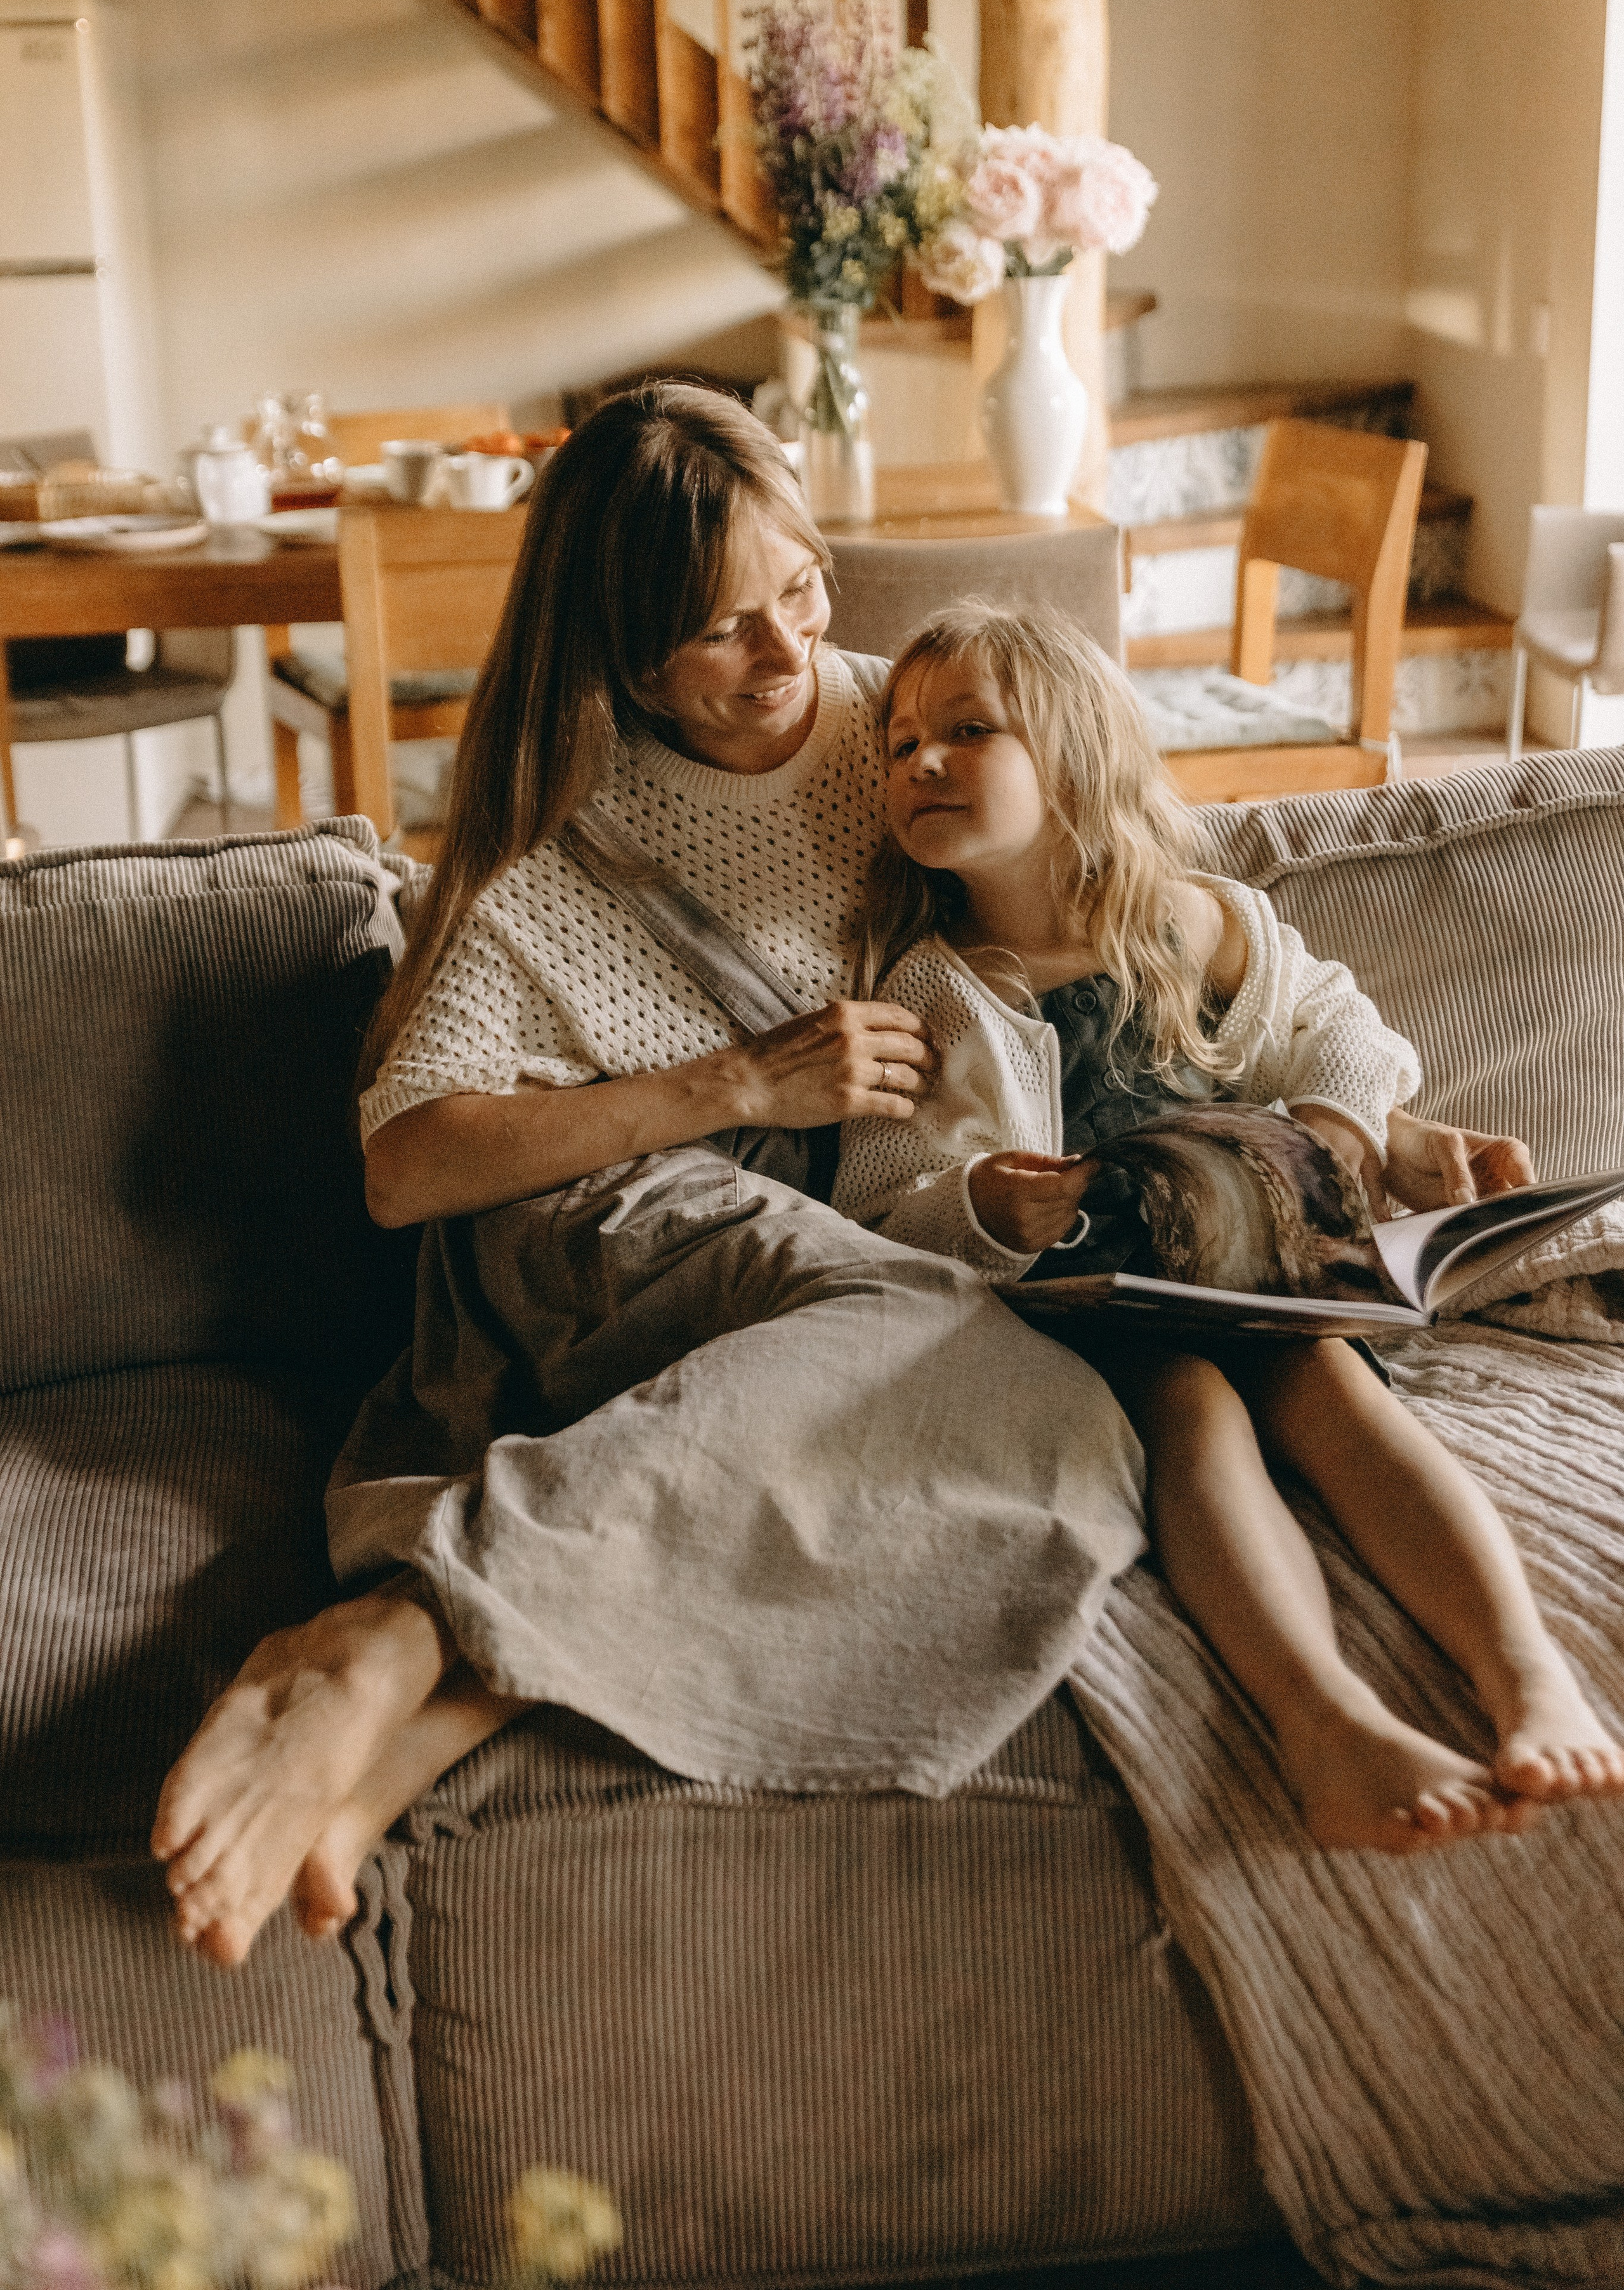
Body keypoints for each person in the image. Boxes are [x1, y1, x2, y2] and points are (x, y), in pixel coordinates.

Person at [150, 390, 1550, 1968]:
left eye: (800, 588)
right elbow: (407, 1168)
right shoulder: (570, 836)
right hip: (605, 1223)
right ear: (623, 655)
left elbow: (1138, 886)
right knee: (985, 1362)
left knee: (1064, 1428)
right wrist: (739, 1083)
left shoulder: (907, 719)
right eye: (719, 630)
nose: (785, 654)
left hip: (817, 1240)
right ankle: (385, 1632)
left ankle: (411, 1718)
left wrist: (1364, 1123)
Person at [831, 598, 1624, 1855]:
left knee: (1326, 1385)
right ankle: (1323, 1723)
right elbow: (880, 1199)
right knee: (1190, 1407)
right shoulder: (932, 992)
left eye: (965, 731)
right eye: (894, 744)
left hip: (1255, 1271)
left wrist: (1347, 1130)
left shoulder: (1193, 926)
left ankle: (1525, 1672)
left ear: (1075, 757)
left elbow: (1345, 1037)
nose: (916, 762)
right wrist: (987, 1204)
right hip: (1095, 1314)